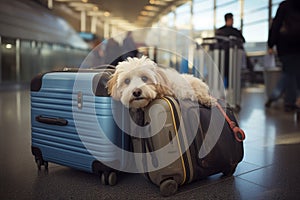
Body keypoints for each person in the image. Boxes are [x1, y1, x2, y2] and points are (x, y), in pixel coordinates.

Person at [268, 0, 300, 112]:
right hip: (297, 45)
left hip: (286, 45)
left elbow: (276, 25)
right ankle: (290, 101)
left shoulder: (284, 6)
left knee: (289, 72)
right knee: (291, 73)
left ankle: (281, 99)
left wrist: (271, 44)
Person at [215, 13, 246, 88]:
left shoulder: (219, 31)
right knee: (230, 74)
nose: (232, 21)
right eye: (232, 19)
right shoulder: (236, 32)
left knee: (224, 73)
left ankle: (224, 90)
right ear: (229, 19)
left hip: (225, 57)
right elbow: (242, 41)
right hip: (230, 57)